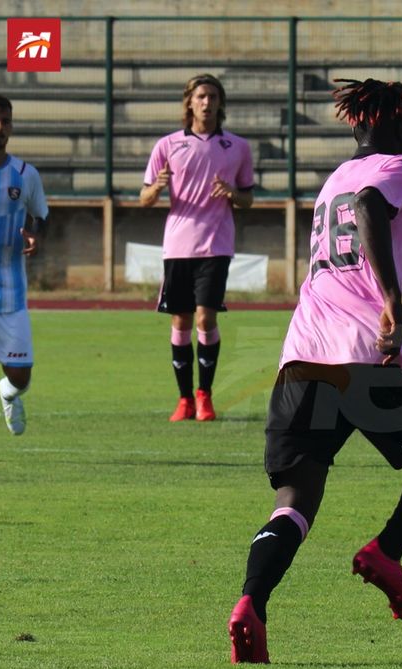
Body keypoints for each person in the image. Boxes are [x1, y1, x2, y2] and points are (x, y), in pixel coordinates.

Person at [226, 79, 402, 664]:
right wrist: (394, 303)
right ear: (394, 124)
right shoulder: (399, 168)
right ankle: (387, 551)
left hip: (302, 357)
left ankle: (251, 603)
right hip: (366, 358)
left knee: (295, 500)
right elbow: (369, 211)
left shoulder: (333, 179)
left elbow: (345, 277)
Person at [140, 73, 254, 422]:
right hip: (178, 245)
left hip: (216, 245)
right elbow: (144, 198)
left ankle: (205, 395)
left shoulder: (237, 147)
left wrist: (232, 194)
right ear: (189, 102)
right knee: (181, 319)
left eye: (213, 97)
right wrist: (157, 188)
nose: (207, 103)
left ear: (221, 103)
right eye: (201, 96)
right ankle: (184, 399)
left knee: (206, 317)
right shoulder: (168, 145)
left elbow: (247, 199)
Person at [0, 95, 47, 436]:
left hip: (9, 293)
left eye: (5, 121)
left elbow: (41, 216)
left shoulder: (25, 175)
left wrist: (36, 235)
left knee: (20, 376)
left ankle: (8, 393)